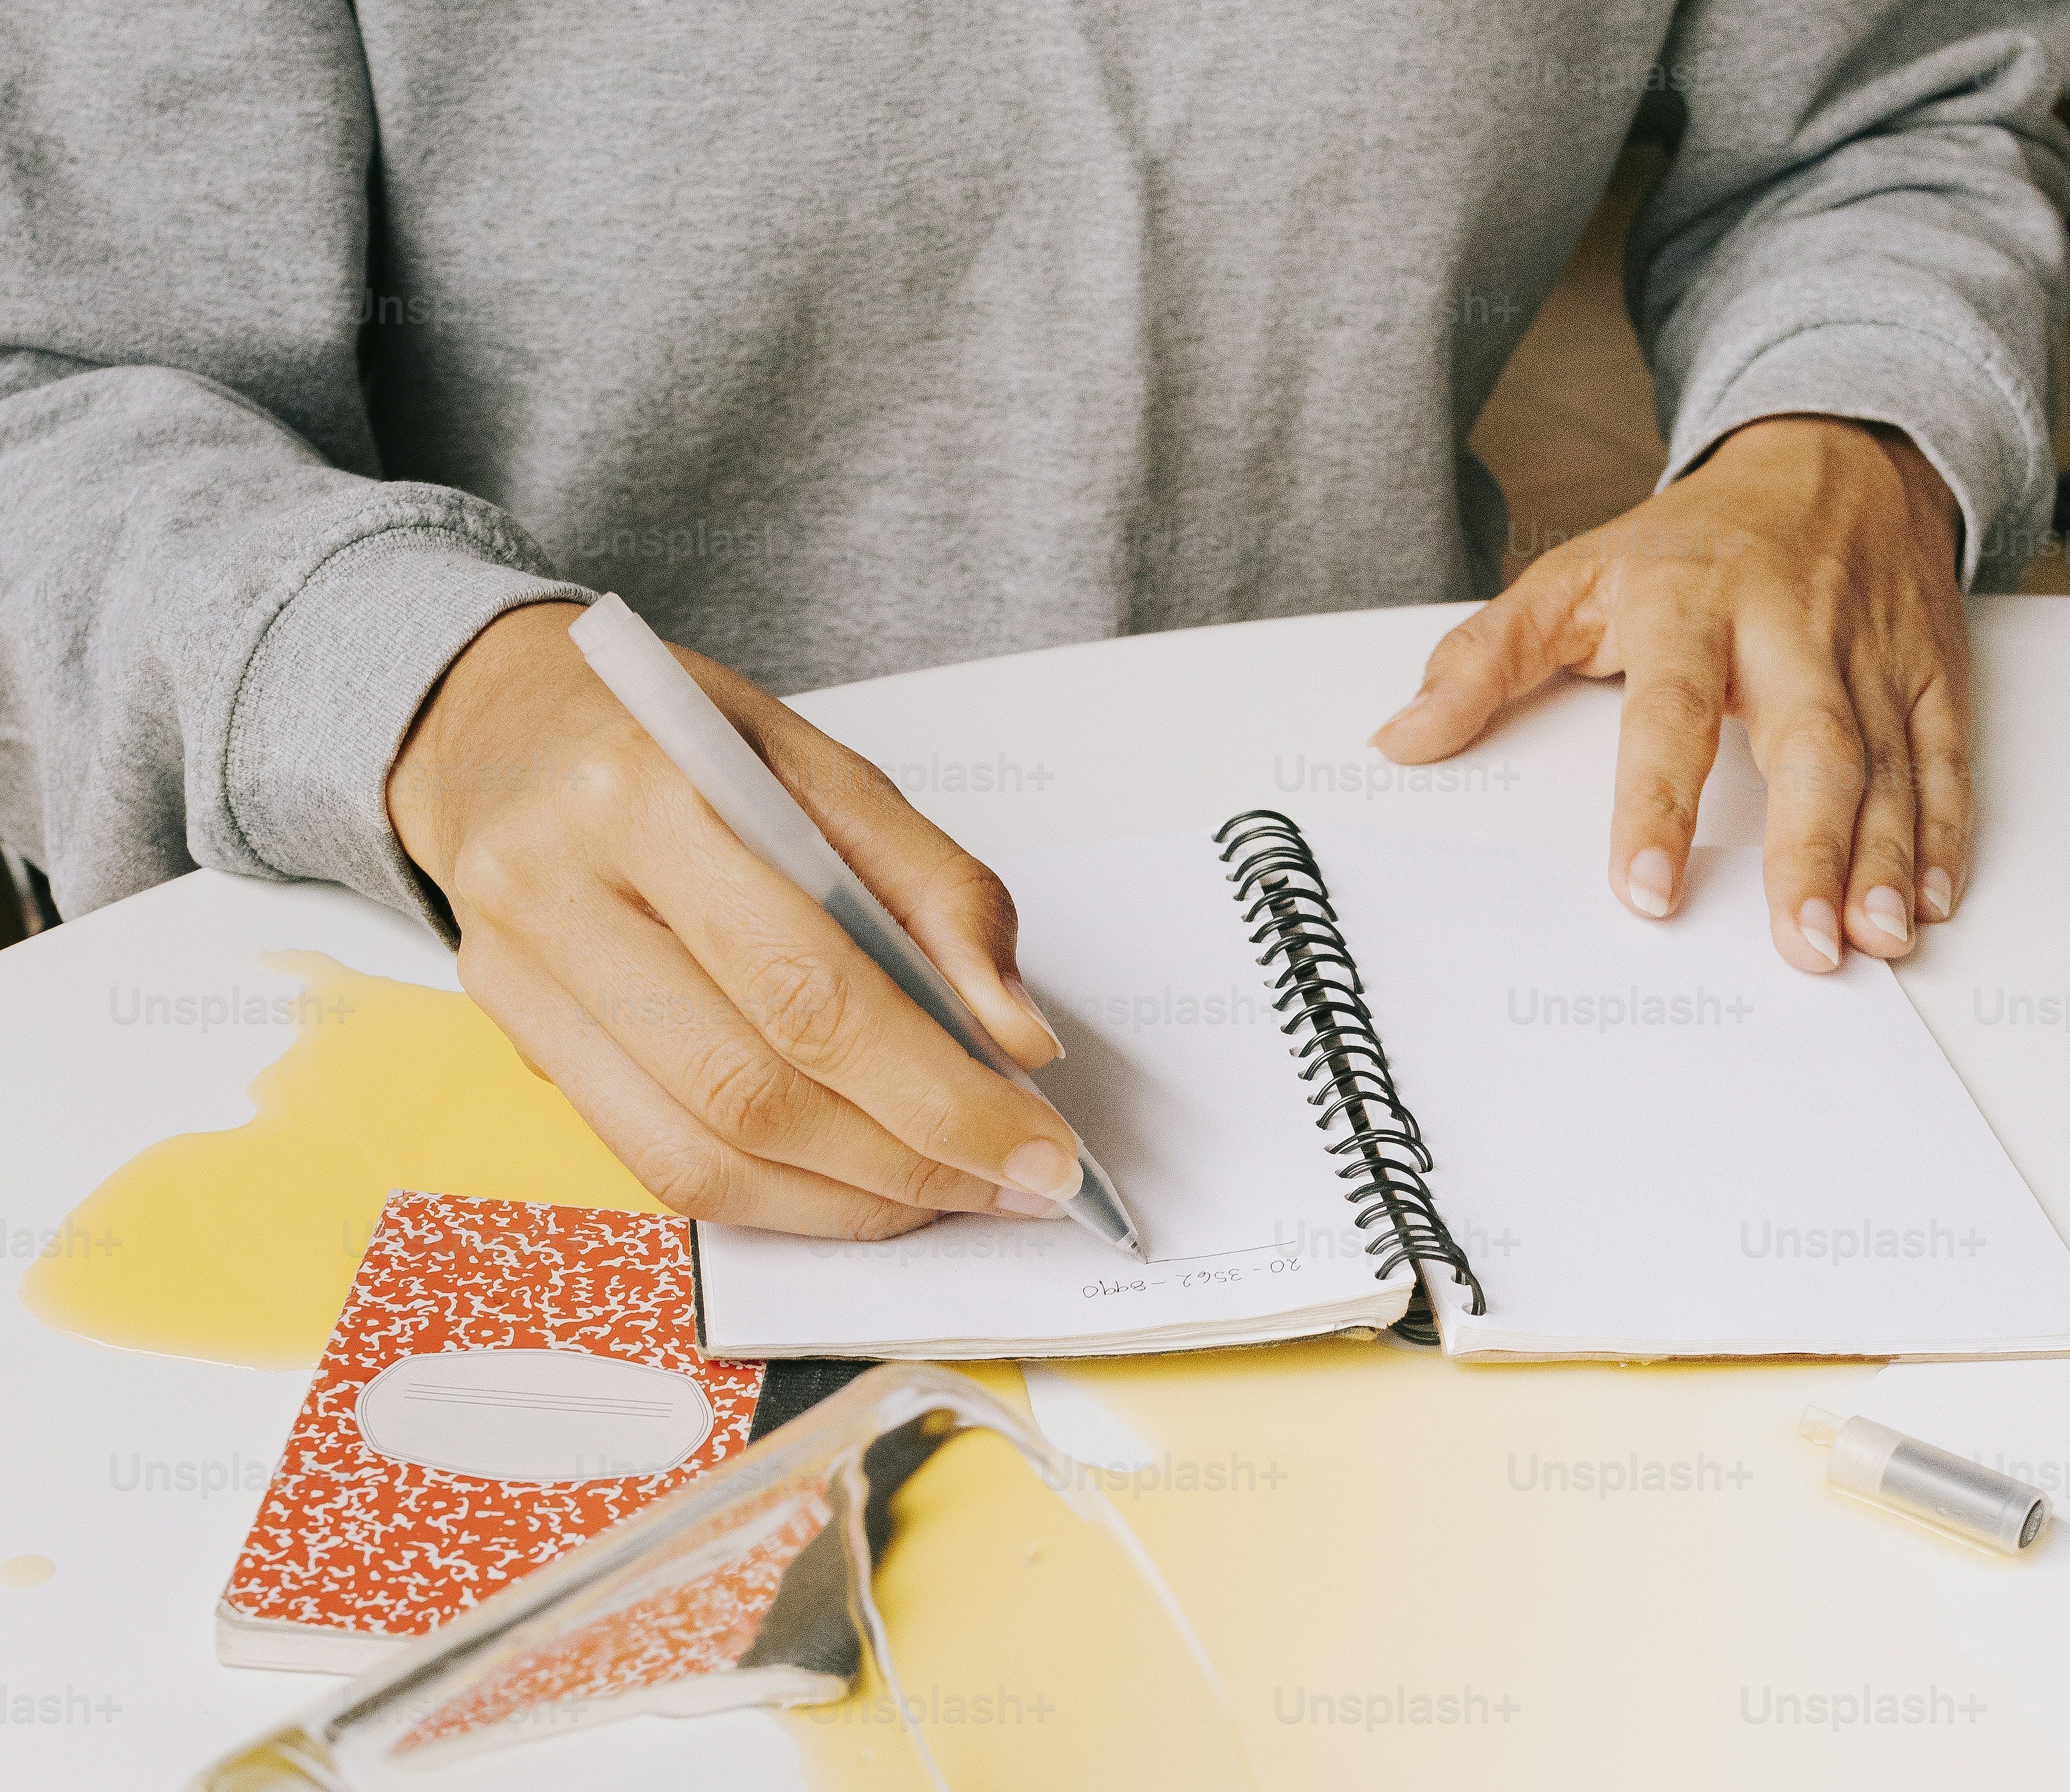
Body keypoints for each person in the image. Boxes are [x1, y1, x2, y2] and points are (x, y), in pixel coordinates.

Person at [2, 3, 2064, 1240]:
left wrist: (1842, 428)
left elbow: (1896, 117)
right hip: (470, 1031)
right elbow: (54, 392)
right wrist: (423, 696)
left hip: (1427, 955)